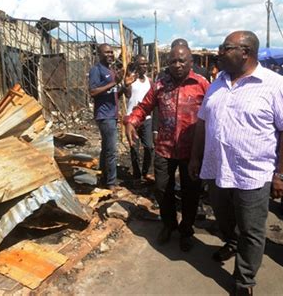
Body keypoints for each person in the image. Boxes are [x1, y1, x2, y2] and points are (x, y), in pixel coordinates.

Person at [188, 31, 283, 295]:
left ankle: (245, 279)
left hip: (253, 174)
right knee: (225, 219)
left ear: (245, 52)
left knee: (251, 229)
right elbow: (203, 122)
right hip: (217, 169)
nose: (219, 53)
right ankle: (231, 242)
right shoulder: (218, 81)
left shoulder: (275, 84)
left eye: (225, 48)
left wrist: (282, 175)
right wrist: (195, 157)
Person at [124, 44, 209, 252]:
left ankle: (186, 230)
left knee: (190, 193)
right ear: (167, 63)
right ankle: (169, 224)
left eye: (182, 61)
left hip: (192, 152)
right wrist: (131, 121)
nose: (177, 65)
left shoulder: (202, 84)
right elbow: (144, 106)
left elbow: (215, 112)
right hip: (164, 148)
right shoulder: (160, 85)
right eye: (173, 61)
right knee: (162, 189)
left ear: (191, 62)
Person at [88, 43, 124, 190]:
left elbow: (115, 93)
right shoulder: (96, 70)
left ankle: (103, 177)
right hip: (104, 115)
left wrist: (123, 85)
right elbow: (92, 92)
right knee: (112, 150)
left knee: (106, 148)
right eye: (106, 52)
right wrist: (113, 83)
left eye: (111, 52)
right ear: (99, 54)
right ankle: (111, 183)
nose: (110, 55)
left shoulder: (111, 70)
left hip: (112, 114)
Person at [123, 55, 155, 184]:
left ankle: (145, 172)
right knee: (134, 148)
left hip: (146, 118)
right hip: (132, 119)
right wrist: (127, 84)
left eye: (146, 64)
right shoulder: (131, 80)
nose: (144, 66)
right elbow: (127, 95)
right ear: (136, 65)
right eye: (141, 64)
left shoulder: (150, 81)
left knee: (149, 147)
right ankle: (136, 175)